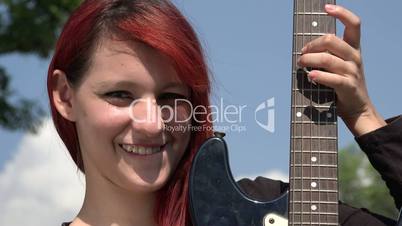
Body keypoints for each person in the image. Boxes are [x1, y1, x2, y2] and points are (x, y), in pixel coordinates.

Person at [46, 0, 401, 226]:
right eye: (120, 95)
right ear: (65, 96)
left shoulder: (268, 210)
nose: (152, 123)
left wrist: (363, 115)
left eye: (171, 97)